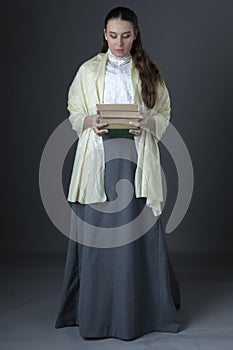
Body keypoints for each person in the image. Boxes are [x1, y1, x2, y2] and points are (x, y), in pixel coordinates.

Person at [55, 6, 181, 341]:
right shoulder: (88, 71)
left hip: (136, 164)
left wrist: (147, 121)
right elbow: (74, 111)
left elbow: (165, 115)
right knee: (99, 241)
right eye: (113, 35)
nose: (119, 42)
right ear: (104, 35)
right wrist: (88, 122)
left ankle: (143, 314)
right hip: (97, 164)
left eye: (126, 35)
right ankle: (97, 317)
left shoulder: (149, 72)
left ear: (135, 34)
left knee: (137, 239)